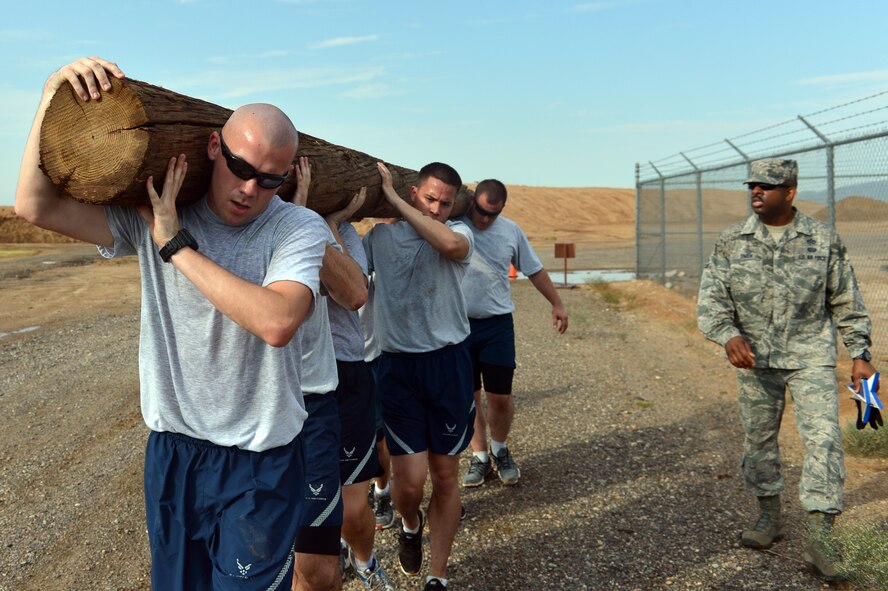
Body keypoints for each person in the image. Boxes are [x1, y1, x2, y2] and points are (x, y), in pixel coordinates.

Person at [15, 58, 332, 590]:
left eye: (269, 179)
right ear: (214, 148)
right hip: (175, 453)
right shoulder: (151, 211)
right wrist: (51, 93)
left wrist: (174, 246)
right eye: (240, 167)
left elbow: (278, 321)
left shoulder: (297, 226)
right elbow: (33, 204)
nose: (250, 189)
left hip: (260, 463)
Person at [697, 158, 877, 581]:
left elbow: (846, 299)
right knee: (759, 440)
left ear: (790, 191)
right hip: (755, 359)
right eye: (753, 186)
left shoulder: (822, 239)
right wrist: (728, 336)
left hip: (810, 355)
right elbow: (711, 301)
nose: (756, 192)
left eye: (767, 186)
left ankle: (821, 536)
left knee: (825, 438)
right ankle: (769, 516)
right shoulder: (731, 240)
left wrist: (860, 353)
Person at [363, 162, 474, 591]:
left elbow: (452, 246)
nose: (438, 208)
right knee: (409, 485)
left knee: (445, 476)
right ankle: (411, 525)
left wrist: (396, 203)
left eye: (445, 202)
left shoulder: (459, 232)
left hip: (448, 365)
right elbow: (351, 277)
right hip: (399, 368)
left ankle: (437, 576)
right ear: (414, 193)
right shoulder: (380, 239)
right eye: (430, 198)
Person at [290, 159, 396, 591]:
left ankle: (366, 560)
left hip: (348, 371)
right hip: (296, 380)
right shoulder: (269, 223)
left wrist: (325, 225)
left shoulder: (341, 232)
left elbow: (353, 293)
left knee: (353, 512)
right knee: (305, 518)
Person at [459, 179, 568, 488]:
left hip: (497, 325)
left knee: (500, 396)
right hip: (457, 325)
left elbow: (533, 269)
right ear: (471, 201)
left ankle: (500, 448)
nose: (483, 219)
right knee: (469, 397)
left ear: (501, 210)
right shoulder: (454, 224)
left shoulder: (510, 230)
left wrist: (557, 302)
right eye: (479, 210)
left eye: (491, 214)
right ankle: (479, 457)